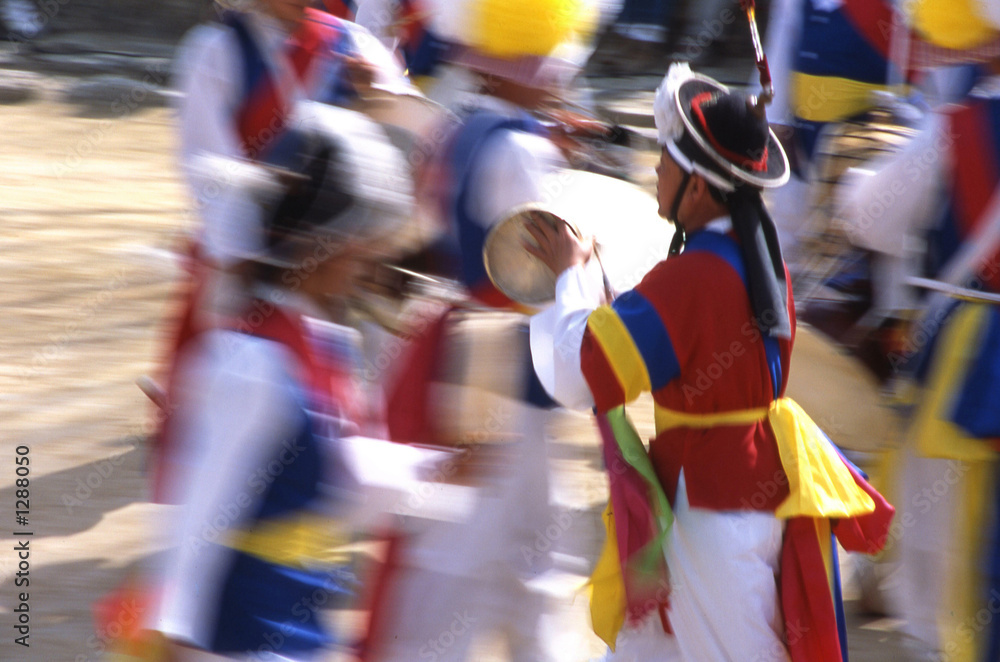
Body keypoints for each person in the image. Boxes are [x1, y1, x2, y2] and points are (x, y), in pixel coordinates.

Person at [526, 62, 895, 661]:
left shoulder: (691, 276)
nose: (653, 169)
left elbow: (578, 372)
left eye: (664, 160)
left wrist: (572, 276)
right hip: (742, 492)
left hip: (710, 507)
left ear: (696, 185)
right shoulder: (755, 256)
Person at [361, 1, 590, 660]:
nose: (557, 75)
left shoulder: (456, 130)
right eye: (548, 64)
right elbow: (544, 268)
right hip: (515, 357)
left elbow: (437, 240)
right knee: (506, 544)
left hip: (460, 344)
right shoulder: (524, 148)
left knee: (491, 539)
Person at [152, 103, 413, 661]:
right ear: (322, 245)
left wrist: (440, 469)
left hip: (305, 627)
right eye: (362, 240)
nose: (371, 258)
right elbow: (195, 516)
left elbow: (345, 478)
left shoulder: (327, 342)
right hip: (238, 636)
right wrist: (174, 637)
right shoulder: (249, 362)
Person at [836, 2, 1000, 658]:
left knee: (946, 567)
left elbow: (870, 219)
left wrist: (854, 178)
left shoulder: (956, 129)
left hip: (972, 364)